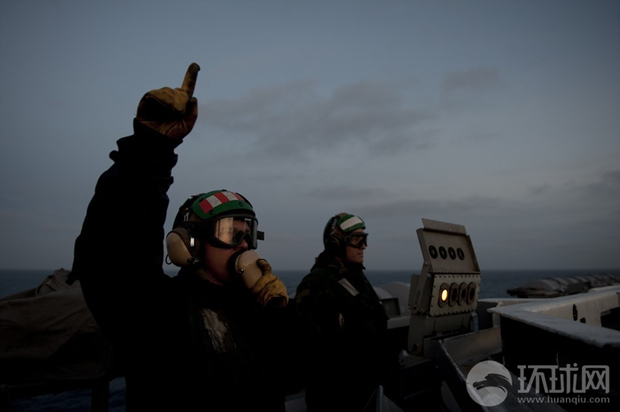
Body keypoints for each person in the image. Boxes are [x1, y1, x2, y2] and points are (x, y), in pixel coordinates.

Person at [71, 63, 294, 411]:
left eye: (247, 233)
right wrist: (150, 150)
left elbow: (294, 372)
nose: (243, 245)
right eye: (228, 232)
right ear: (191, 242)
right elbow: (113, 254)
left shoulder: (255, 307)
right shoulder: (156, 311)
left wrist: (278, 313)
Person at [295, 213, 390, 411]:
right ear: (334, 244)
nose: (363, 246)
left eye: (364, 239)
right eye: (356, 240)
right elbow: (313, 351)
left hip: (367, 393)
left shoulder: (357, 278)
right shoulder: (316, 284)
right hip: (336, 399)